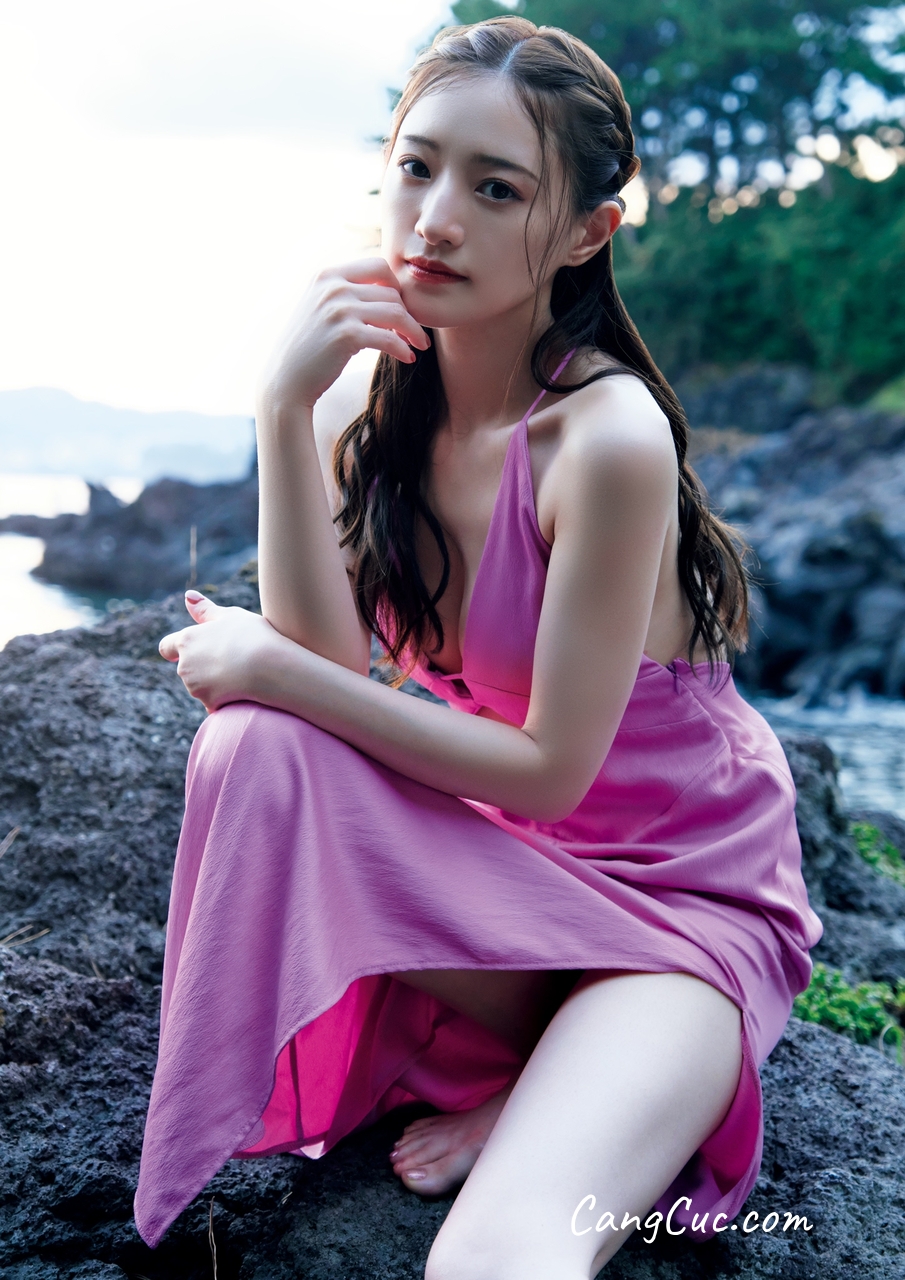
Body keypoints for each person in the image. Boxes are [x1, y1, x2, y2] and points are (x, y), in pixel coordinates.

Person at [137, 16, 823, 1278]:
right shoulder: (361, 399)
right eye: (416, 167)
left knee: (494, 1256)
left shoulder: (604, 440)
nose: (435, 219)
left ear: (584, 233)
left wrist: (276, 669)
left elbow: (548, 769)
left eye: (495, 188)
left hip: (671, 905)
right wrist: (282, 407)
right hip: (504, 884)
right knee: (255, 747)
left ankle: (574, 1081)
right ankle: (541, 1064)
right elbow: (323, 661)